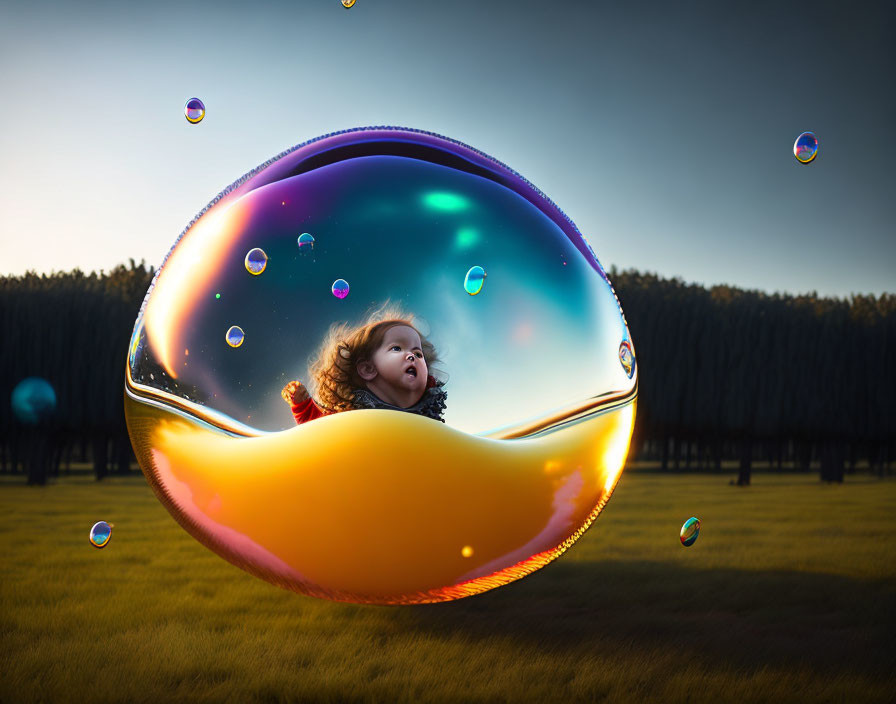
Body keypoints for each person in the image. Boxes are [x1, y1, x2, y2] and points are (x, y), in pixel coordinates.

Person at [281, 307, 447, 424]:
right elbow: (319, 434)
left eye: (418, 354)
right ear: (368, 369)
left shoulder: (432, 417)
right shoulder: (354, 419)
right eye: (397, 348)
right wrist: (303, 407)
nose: (412, 356)